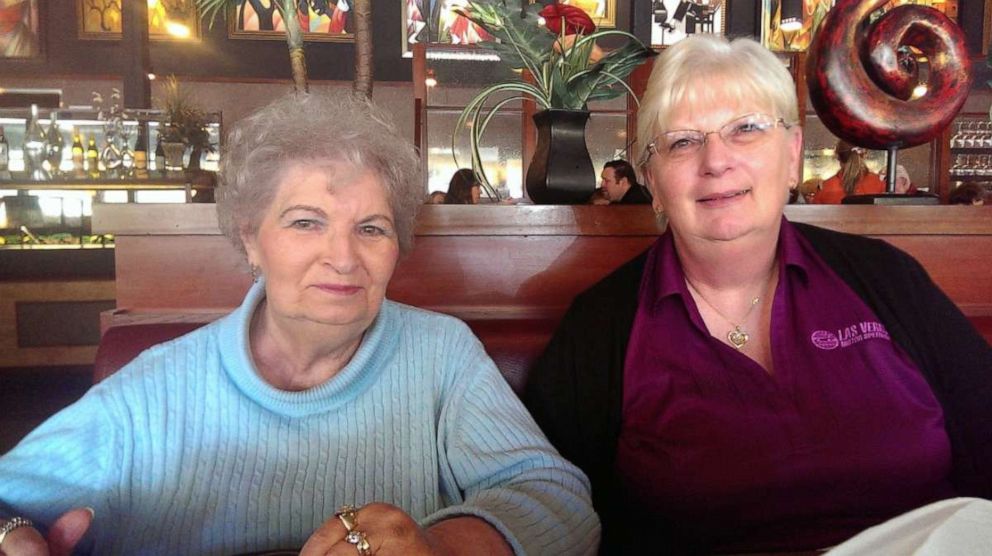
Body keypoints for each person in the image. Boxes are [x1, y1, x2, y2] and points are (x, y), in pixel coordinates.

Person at [0, 92, 599, 555]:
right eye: (305, 222)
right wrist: (17, 534)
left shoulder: (440, 355)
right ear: (250, 240)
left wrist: (440, 546)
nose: (343, 257)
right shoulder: (152, 391)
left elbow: (560, 503)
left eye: (371, 228)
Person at [523, 35, 992, 555]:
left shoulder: (886, 281)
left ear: (792, 156)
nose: (716, 161)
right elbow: (552, 511)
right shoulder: (600, 329)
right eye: (682, 141)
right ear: (653, 180)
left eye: (746, 129)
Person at [811, 139, 885, 203]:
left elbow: (813, 216)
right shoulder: (879, 184)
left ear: (838, 157)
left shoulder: (825, 187)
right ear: (864, 155)